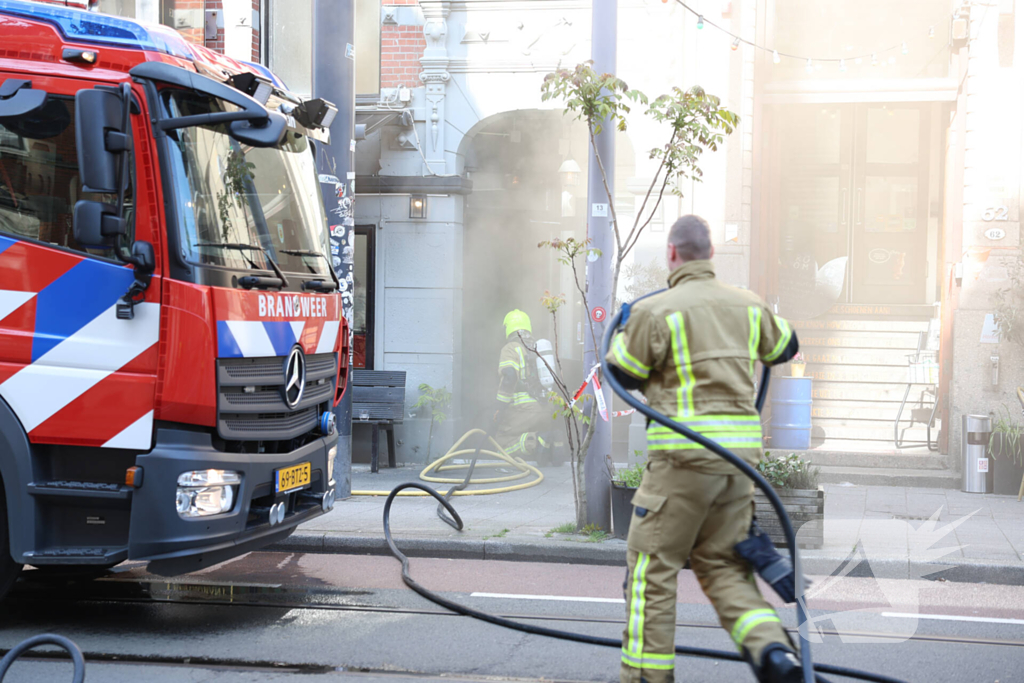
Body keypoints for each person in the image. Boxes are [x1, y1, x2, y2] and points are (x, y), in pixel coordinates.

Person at [605, 215, 802, 683]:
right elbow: (787, 348)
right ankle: (775, 654)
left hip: (681, 467)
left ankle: (647, 679)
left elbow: (623, 373)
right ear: (711, 255)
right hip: (738, 470)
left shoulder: (657, 312)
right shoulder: (749, 306)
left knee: (652, 571)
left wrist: (624, 329)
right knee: (725, 568)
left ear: (672, 254)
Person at [492, 309, 553, 461]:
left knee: (500, 445)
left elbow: (509, 376)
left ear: (508, 328)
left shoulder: (511, 348)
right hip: (546, 406)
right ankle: (551, 442)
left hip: (524, 408)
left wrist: (500, 406)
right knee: (522, 432)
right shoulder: (537, 347)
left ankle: (537, 441)